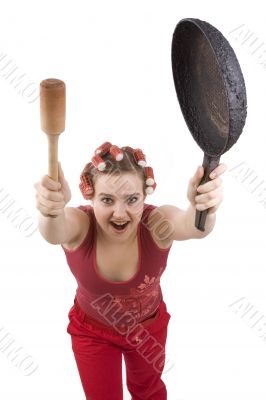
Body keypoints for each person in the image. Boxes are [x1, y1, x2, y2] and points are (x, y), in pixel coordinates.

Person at [34, 142, 226, 400]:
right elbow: (53, 231)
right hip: (93, 332)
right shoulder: (80, 225)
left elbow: (195, 226)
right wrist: (51, 211)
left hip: (148, 329)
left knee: (149, 393)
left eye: (132, 199)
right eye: (107, 200)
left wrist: (203, 207)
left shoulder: (157, 224)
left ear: (145, 197)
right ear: (90, 197)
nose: (120, 212)